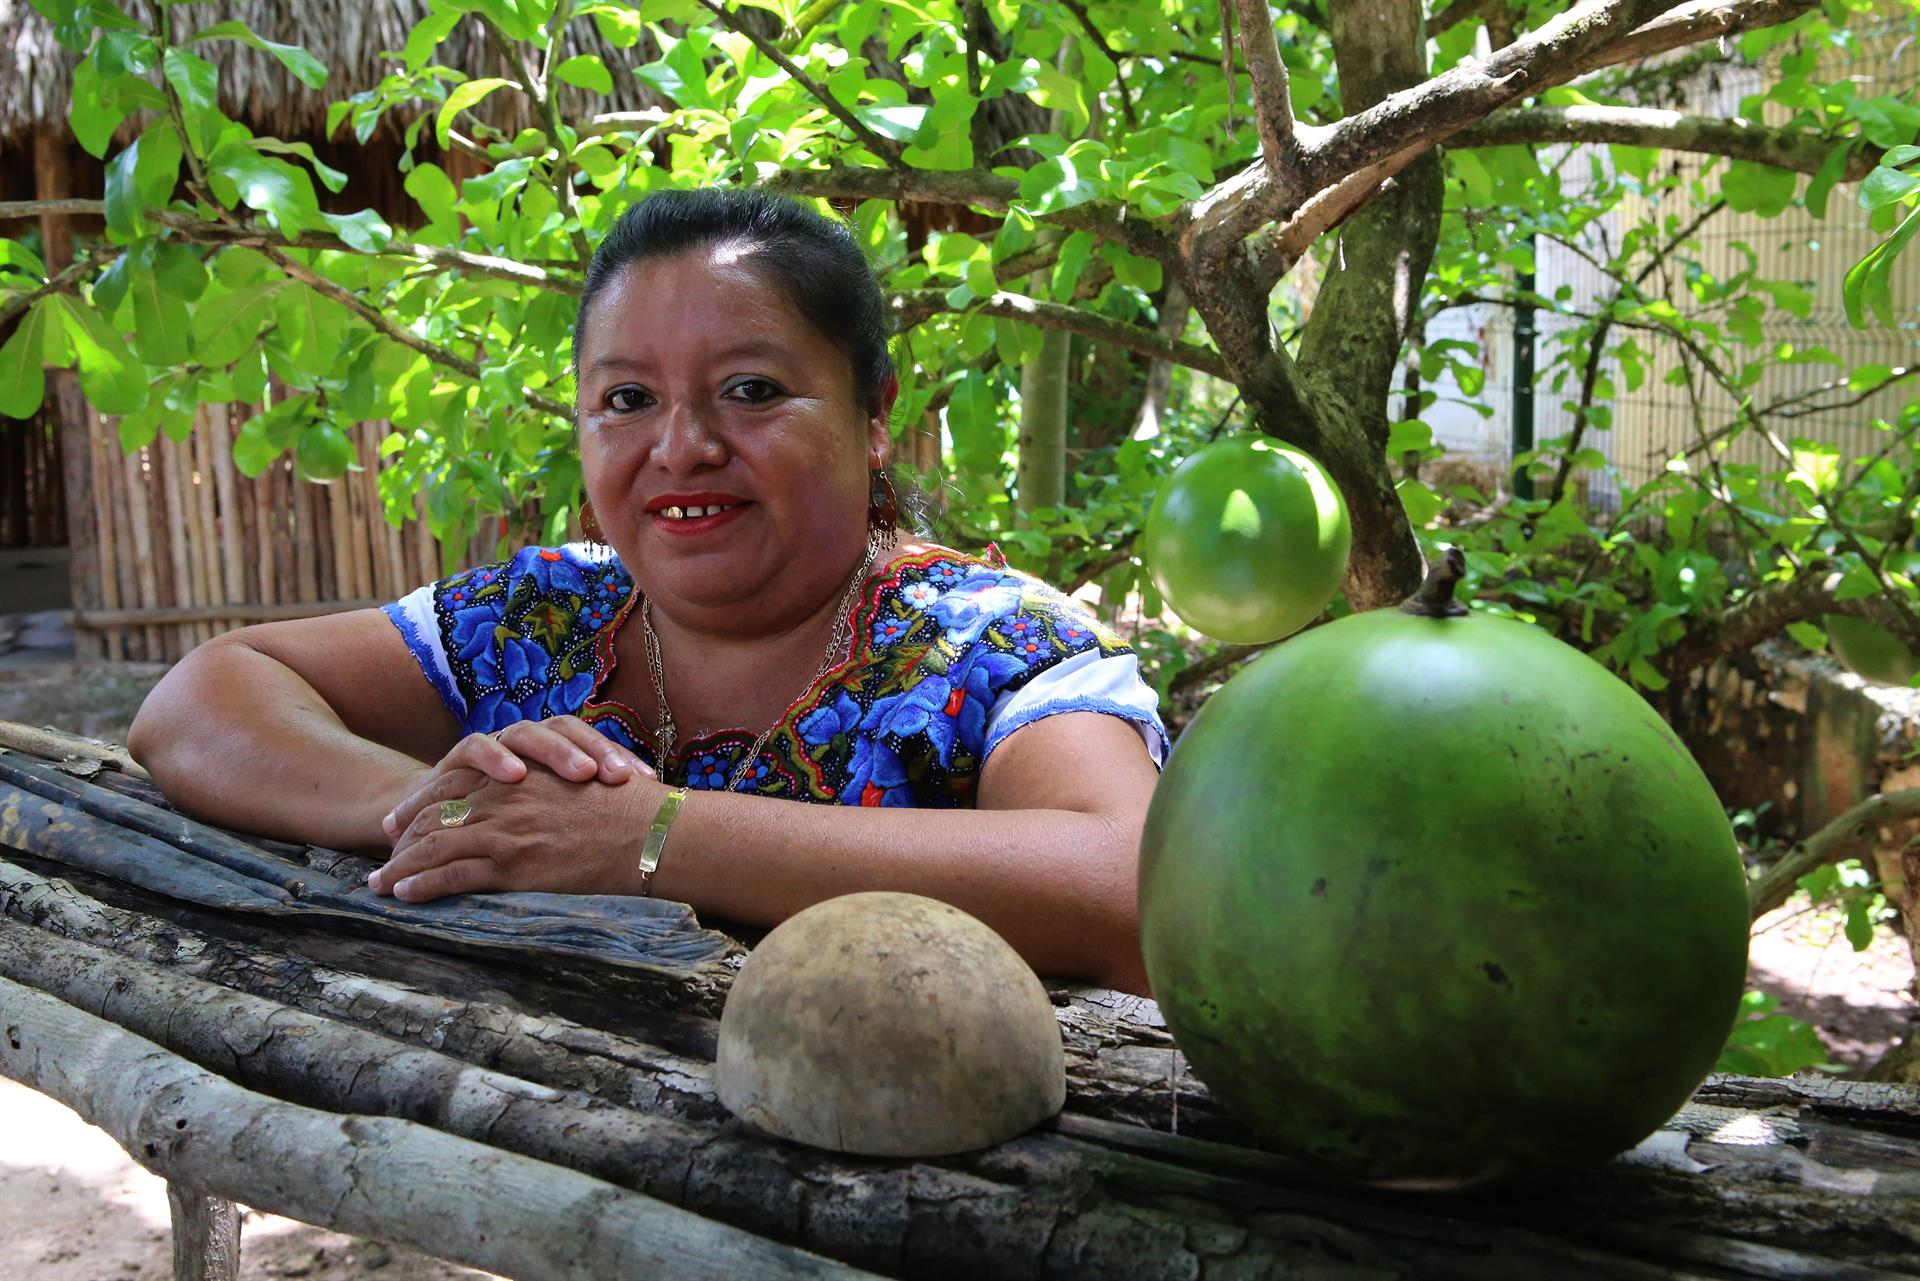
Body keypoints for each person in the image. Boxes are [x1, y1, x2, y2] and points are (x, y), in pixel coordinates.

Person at [129, 188, 1166, 994]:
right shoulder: (537, 617)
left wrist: (652, 838)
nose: (683, 446)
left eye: (752, 391)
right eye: (627, 399)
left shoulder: (992, 645)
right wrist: (436, 813)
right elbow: (201, 699)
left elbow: (1131, 886)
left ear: (875, 412)